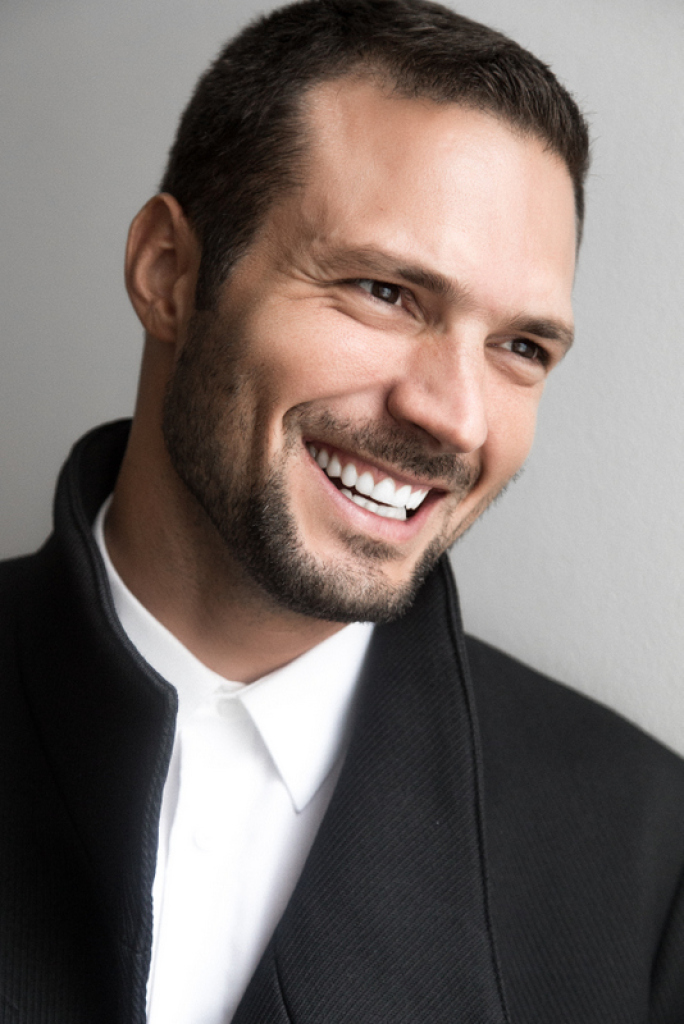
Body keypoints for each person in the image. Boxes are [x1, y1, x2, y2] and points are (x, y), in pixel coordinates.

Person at [2, 0, 684, 1021]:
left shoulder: (649, 863)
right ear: (168, 274)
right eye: (384, 291)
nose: (455, 418)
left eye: (521, 348)